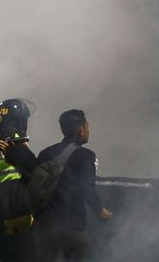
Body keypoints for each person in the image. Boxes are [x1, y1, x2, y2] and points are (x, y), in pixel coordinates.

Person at [34, 109, 111, 262]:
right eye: (87, 127)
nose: (88, 131)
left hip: (46, 223)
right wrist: (99, 209)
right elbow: (87, 186)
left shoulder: (45, 153)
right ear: (81, 130)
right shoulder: (86, 155)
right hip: (72, 224)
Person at [0, 98, 39, 262]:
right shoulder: (12, 138)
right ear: (19, 118)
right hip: (14, 207)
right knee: (24, 255)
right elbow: (32, 165)